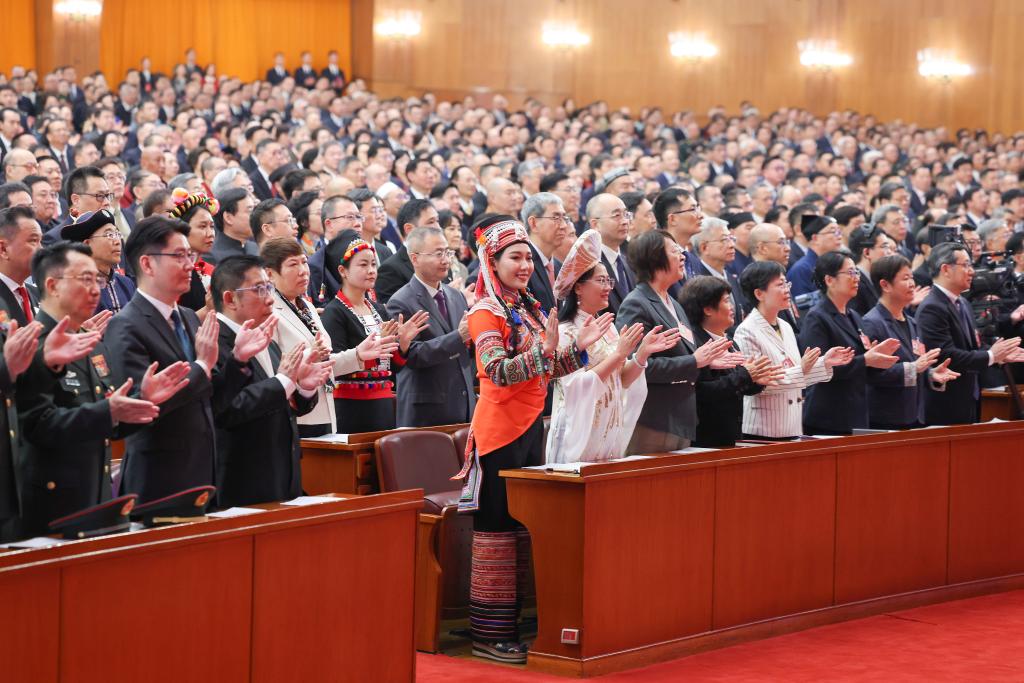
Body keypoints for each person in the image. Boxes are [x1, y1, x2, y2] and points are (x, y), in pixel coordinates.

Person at [453, 214, 607, 663]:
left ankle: (512, 623)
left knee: (523, 527)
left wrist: (578, 350)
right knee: (496, 529)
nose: (524, 265)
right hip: (499, 433)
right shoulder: (485, 312)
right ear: (492, 262)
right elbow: (497, 372)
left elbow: (546, 368)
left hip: (529, 426)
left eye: (527, 257)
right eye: (514, 258)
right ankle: (489, 633)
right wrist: (546, 351)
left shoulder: (528, 307)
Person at [15, 242, 188, 536]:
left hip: (96, 498)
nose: (95, 290)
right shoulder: (29, 345)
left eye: (97, 280)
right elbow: (37, 426)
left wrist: (141, 401)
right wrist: (108, 411)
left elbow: (107, 424)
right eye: (85, 279)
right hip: (51, 507)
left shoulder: (88, 341)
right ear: (53, 286)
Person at [104, 216, 223, 502]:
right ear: (147, 264)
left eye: (190, 255)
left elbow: (210, 391)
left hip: (203, 468)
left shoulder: (189, 317)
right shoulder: (125, 325)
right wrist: (202, 366)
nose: (189, 264)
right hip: (160, 476)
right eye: (179, 256)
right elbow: (141, 407)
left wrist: (240, 358)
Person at [210, 255, 332, 507]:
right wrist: (283, 382)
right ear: (230, 299)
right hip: (242, 483)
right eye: (259, 289)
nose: (269, 298)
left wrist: (303, 388)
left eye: (269, 288)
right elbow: (228, 408)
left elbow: (282, 403)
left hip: (283, 477)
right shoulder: (212, 343)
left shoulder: (265, 337)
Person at [546, 230, 675, 463]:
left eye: (609, 281)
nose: (608, 287)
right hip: (579, 427)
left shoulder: (608, 327)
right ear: (578, 287)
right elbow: (575, 387)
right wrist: (618, 354)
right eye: (601, 281)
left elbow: (622, 379)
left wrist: (641, 355)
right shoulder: (566, 331)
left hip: (608, 423)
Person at [263, 236, 398, 436]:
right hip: (294, 414)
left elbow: (326, 363)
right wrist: (309, 356)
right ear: (270, 274)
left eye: (304, 262)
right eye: (293, 264)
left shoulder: (307, 306)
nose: (303, 270)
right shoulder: (268, 311)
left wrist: (358, 355)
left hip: (325, 409)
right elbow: (271, 370)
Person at [616, 230, 734, 453]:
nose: (682, 256)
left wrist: (707, 362)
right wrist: (694, 361)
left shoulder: (674, 304)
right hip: (653, 419)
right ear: (655, 258)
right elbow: (635, 367)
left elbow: (685, 358)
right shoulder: (637, 304)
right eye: (674, 251)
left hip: (681, 417)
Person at [320, 233, 429, 433]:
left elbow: (391, 367)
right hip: (351, 407)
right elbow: (334, 365)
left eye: (373, 264)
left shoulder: (379, 310)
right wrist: (377, 348)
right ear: (343, 271)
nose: (371, 270)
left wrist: (403, 345)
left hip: (383, 404)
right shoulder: (334, 312)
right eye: (363, 265)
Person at [733, 261, 852, 439]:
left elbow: (797, 374)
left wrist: (824, 363)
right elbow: (761, 384)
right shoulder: (746, 331)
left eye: (787, 284)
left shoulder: (786, 326)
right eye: (780, 285)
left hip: (792, 424)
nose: (787, 290)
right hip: (763, 427)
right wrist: (802, 368)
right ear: (759, 293)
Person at [916, 242, 1024, 425]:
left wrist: (999, 356)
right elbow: (946, 356)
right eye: (965, 265)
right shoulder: (932, 307)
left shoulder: (963, 303)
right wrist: (990, 355)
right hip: (945, 404)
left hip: (969, 398)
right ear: (946, 269)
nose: (972, 271)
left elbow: (974, 345)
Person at [799, 251, 903, 434]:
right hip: (828, 416)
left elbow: (863, 362)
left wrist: (878, 358)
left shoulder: (854, 316)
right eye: (850, 273)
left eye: (857, 272)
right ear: (829, 280)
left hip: (857, 412)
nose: (856, 278)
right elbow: (819, 368)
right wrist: (866, 360)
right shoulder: (817, 317)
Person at [386, 226, 476, 428]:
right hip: (426, 410)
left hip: (462, 403)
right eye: (438, 254)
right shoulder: (401, 301)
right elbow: (412, 355)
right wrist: (459, 336)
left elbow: (465, 350)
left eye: (447, 252)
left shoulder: (456, 296)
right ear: (415, 258)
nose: (445, 260)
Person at [679, 275, 782, 447]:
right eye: (726, 301)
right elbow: (701, 392)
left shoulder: (730, 341)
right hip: (705, 438)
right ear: (708, 309)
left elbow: (735, 386)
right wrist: (745, 375)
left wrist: (755, 381)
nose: (732, 306)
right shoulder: (694, 343)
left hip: (730, 434)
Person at [861, 255, 959, 430]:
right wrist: (914, 368)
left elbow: (916, 365)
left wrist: (930, 374)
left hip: (913, 415)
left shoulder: (912, 322)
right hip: (884, 419)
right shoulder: (871, 322)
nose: (912, 283)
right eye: (905, 278)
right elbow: (871, 375)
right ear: (885, 285)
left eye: (912, 277)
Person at [60, 209, 135, 314]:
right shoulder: (77, 288)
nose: (118, 241)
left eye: (117, 234)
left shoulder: (126, 284)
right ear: (87, 245)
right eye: (109, 235)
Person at [168, 189, 218, 313]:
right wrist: (207, 309)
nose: (210, 233)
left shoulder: (210, 270)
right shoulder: (171, 273)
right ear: (182, 229)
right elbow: (171, 321)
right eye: (202, 226)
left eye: (212, 226)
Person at [0, 206, 42, 325]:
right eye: (33, 241)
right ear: (3, 249)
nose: (41, 249)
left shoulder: (39, 294)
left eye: (40, 241)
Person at [787, 214, 843, 297]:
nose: (840, 236)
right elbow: (802, 303)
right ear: (815, 238)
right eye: (833, 232)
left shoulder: (834, 263)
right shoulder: (801, 269)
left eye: (839, 232)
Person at [847, 223, 894, 316]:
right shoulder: (854, 282)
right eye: (884, 247)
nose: (890, 252)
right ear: (867, 253)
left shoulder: (880, 277)